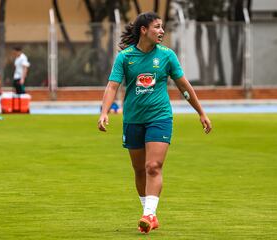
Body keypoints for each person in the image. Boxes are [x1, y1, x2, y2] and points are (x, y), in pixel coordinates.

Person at [97, 12, 212, 234]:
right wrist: (104, 112)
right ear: (144, 30)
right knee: (139, 169)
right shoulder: (125, 57)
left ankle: (148, 214)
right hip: (132, 120)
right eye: (157, 27)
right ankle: (149, 214)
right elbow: (112, 86)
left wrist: (201, 112)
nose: (161, 31)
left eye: (162, 27)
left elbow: (184, 87)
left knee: (153, 166)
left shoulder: (167, 56)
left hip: (159, 118)